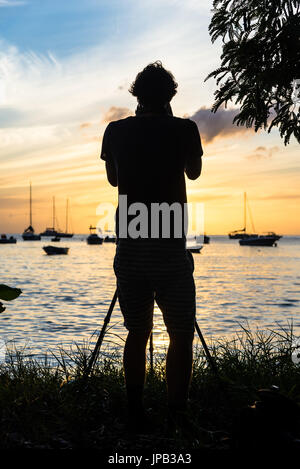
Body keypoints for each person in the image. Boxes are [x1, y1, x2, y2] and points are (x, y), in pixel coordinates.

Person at [100, 61, 203, 431]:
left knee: (137, 331)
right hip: (171, 248)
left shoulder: (115, 131)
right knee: (180, 332)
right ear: (170, 96)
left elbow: (114, 180)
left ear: (136, 95)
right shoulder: (185, 129)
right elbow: (193, 173)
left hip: (131, 247)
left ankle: (135, 410)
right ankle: (177, 413)